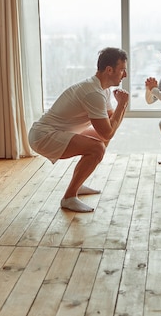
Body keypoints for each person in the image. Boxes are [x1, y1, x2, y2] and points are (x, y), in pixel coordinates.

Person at [28, 47, 130, 213]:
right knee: (97, 148)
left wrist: (121, 106)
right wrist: (123, 104)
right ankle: (69, 197)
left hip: (58, 132)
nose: (125, 75)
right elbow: (109, 130)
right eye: (122, 70)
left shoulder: (103, 90)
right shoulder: (93, 93)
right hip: (43, 136)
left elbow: (111, 125)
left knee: (102, 141)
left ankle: (78, 183)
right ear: (109, 70)